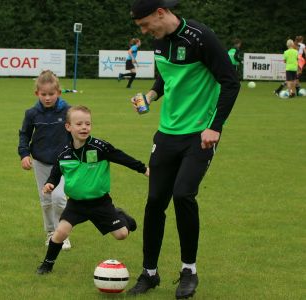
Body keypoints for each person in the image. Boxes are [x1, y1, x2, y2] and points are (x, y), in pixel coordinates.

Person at [128, 0, 240, 298]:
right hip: (166, 134)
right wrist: (150, 95)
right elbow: (167, 77)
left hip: (199, 135)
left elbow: (230, 82)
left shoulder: (201, 37)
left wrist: (215, 126)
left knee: (183, 194)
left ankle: (189, 270)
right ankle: (149, 273)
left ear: (160, 13)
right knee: (154, 202)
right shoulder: (159, 43)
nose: (143, 30)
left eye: (144, 23)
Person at [36, 105, 149, 275]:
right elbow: (56, 173)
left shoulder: (100, 147)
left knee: (121, 235)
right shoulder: (64, 153)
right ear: (68, 127)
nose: (84, 127)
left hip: (100, 203)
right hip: (76, 204)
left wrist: (144, 169)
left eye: (87, 124)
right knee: (60, 232)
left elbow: (122, 158)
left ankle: (121, 215)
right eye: (79, 124)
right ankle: (47, 265)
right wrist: (50, 184)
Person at [18, 70, 72, 250]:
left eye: (51, 94)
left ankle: (62, 233)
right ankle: (51, 232)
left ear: (58, 92)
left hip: (64, 162)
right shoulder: (32, 113)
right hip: (41, 162)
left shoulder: (67, 111)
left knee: (59, 198)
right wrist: (24, 154)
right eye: (44, 94)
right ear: (37, 94)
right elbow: (24, 135)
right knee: (46, 199)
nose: (48, 98)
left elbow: (77, 132)